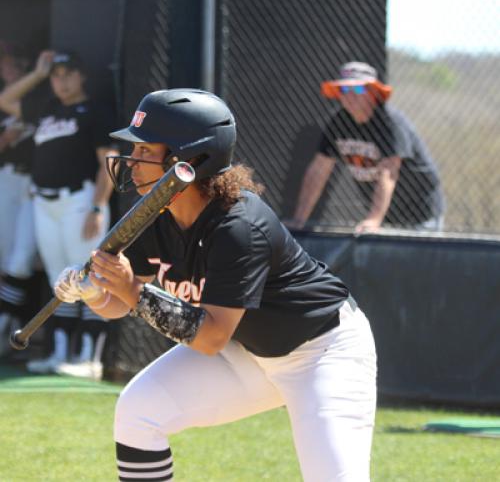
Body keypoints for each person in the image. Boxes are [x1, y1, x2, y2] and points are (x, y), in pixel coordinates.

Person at [54, 89, 377, 481]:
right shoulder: (156, 213)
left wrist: (133, 293)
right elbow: (117, 304)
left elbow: (210, 338)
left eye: (144, 151)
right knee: (138, 412)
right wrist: (93, 290)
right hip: (248, 353)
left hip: (323, 353)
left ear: (185, 161)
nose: (132, 162)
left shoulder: (240, 226)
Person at [0, 49, 117, 377]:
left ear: (82, 76)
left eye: (67, 74)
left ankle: (90, 359)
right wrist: (37, 74)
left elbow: (107, 163)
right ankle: (61, 354)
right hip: (44, 203)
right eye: (56, 75)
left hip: (79, 201)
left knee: (87, 277)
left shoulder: (95, 110)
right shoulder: (47, 108)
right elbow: (7, 100)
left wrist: (98, 205)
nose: (61, 81)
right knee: (59, 280)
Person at [287, 61, 444, 233]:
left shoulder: (390, 123)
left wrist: (374, 219)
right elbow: (319, 170)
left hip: (420, 215)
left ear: (373, 93)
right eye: (345, 90)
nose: (350, 96)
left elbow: (388, 173)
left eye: (359, 89)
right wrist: (299, 219)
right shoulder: (339, 122)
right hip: (388, 216)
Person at [0, 41, 38, 358]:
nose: (7, 68)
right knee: (7, 257)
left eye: (13, 62)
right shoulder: (6, 104)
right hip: (8, 180)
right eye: (4, 63)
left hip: (37, 185)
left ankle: (12, 328)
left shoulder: (40, 101)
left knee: (22, 259)